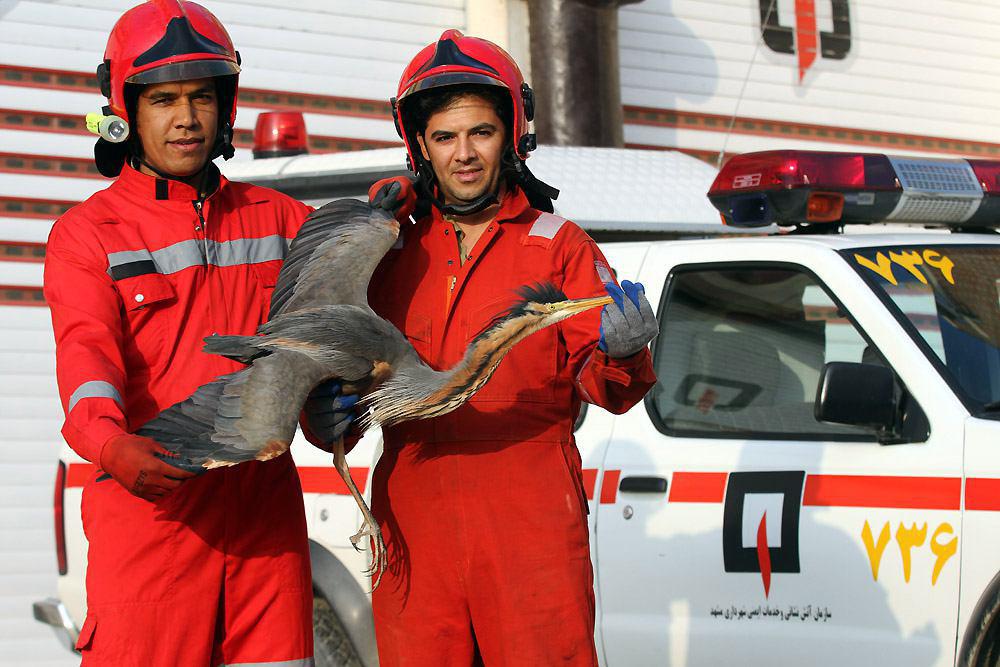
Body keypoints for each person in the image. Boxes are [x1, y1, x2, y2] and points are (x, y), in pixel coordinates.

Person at [43, 1, 343, 664]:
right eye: (164, 99)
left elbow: (328, 359)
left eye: (203, 96)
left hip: (266, 528)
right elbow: (86, 356)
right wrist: (110, 444)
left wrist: (338, 410)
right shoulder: (88, 235)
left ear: (226, 105)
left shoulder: (287, 223)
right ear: (126, 108)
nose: (186, 118)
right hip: (152, 517)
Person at [361, 30, 659, 666]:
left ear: (512, 135)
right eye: (445, 137)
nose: (464, 154)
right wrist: (327, 407)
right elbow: (341, 375)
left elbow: (609, 390)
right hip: (412, 509)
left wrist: (626, 354)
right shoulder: (387, 252)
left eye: (482, 133)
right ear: (420, 147)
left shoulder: (559, 246)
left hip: (529, 512)